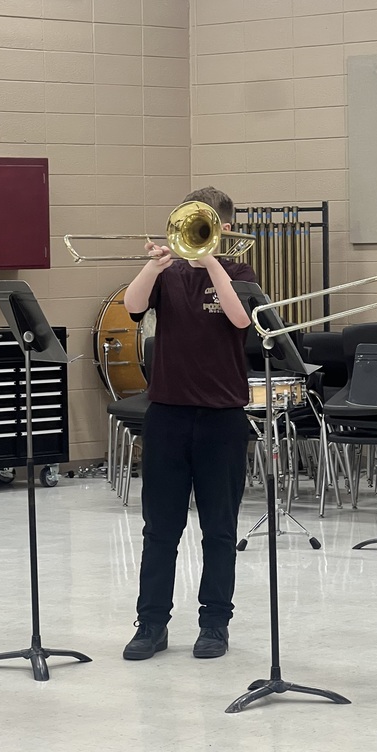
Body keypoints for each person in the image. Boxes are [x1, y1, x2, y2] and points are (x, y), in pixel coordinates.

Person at [121, 187, 256, 661]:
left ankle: (214, 624)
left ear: (223, 231)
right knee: (160, 528)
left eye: (205, 227)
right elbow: (133, 308)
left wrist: (210, 261)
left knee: (219, 529)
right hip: (168, 416)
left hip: (222, 418)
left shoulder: (239, 272)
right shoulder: (167, 274)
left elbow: (241, 321)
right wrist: (154, 265)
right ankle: (151, 623)